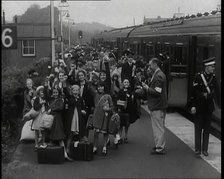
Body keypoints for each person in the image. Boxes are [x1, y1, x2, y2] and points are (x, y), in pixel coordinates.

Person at [190, 57, 220, 157]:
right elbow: (194, 92)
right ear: (206, 67)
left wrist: (209, 96)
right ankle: (198, 149)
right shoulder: (198, 77)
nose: (213, 68)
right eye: (212, 66)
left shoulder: (214, 77)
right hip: (199, 107)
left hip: (209, 108)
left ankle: (205, 149)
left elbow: (216, 92)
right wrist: (193, 105)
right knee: (198, 129)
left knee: (207, 129)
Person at [142, 58, 168, 155]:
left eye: (150, 65)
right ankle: (158, 145)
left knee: (158, 127)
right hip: (158, 105)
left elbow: (157, 92)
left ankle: (160, 147)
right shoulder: (158, 74)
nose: (149, 67)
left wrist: (147, 88)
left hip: (157, 105)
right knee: (158, 126)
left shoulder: (158, 76)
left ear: (155, 64)